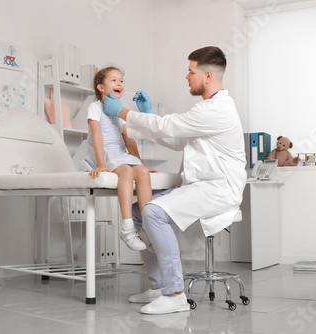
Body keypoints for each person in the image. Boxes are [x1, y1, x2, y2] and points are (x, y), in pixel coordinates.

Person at [103, 46, 247, 315]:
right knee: (137, 212)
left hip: (219, 188)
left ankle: (175, 294)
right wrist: (146, 114)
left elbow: (168, 126)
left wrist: (123, 113)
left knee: (154, 212)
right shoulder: (206, 109)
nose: (186, 77)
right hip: (202, 185)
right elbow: (176, 139)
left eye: (190, 71)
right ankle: (157, 287)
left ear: (206, 75)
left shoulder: (217, 109)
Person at [82, 66, 156, 251]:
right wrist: (100, 164)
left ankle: (147, 228)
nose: (119, 83)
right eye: (113, 80)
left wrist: (141, 163)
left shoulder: (120, 112)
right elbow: (97, 136)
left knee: (140, 172)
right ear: (100, 87)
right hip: (103, 153)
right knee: (126, 171)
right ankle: (128, 228)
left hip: (119, 153)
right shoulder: (95, 107)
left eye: (121, 80)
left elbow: (128, 140)